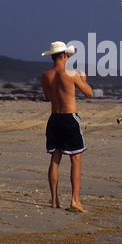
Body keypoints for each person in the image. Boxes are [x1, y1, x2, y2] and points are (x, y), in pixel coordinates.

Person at [41, 41, 93, 213]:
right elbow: (89, 93)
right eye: (68, 56)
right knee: (75, 160)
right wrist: (83, 80)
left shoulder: (45, 75)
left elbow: (49, 97)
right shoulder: (71, 74)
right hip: (69, 119)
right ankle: (75, 200)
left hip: (54, 119)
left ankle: (55, 200)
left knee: (55, 160)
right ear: (64, 56)